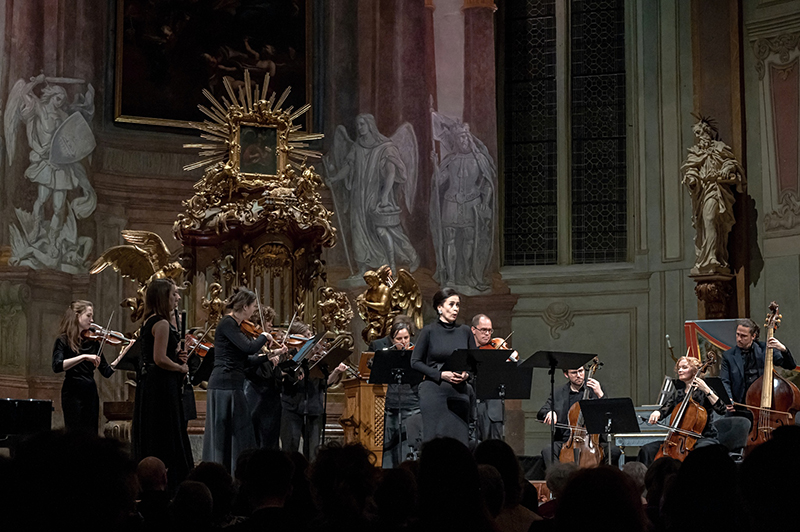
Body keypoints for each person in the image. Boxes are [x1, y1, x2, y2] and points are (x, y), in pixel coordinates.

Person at [203, 288, 275, 472]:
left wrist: (268, 356)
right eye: (252, 307)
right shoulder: (228, 323)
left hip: (233, 384)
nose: (253, 312)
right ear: (245, 306)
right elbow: (249, 347)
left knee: (239, 435)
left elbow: (245, 360)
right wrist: (263, 336)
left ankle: (234, 474)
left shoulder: (235, 326)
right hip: (224, 385)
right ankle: (220, 473)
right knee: (225, 436)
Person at [132, 279, 193, 491]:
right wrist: (180, 368)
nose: (177, 298)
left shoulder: (148, 321)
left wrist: (176, 355)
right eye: (173, 294)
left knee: (153, 433)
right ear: (162, 297)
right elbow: (159, 359)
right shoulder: (163, 323)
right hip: (162, 387)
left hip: (151, 385)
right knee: (167, 433)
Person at [410, 287, 476, 445]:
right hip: (434, 391)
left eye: (458, 305)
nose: (455, 309)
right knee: (434, 440)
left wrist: (466, 375)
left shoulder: (465, 331)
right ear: (440, 307)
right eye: (451, 304)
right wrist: (440, 375)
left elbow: (474, 363)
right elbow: (415, 362)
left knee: (459, 442)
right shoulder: (429, 331)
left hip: (459, 393)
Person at [51, 300, 127, 432]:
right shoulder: (63, 340)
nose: (92, 320)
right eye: (88, 316)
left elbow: (106, 371)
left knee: (91, 433)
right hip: (72, 391)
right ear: (76, 315)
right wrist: (84, 357)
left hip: (90, 392)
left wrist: (123, 354)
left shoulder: (94, 342)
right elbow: (57, 366)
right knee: (73, 433)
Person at [638, 356, 727, 466]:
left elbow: (722, 409)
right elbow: (665, 409)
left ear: (695, 370)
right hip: (677, 440)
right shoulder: (678, 394)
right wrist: (657, 413)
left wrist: (706, 389)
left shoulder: (704, 391)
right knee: (647, 450)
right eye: (679, 368)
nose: (680, 370)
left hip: (703, 437)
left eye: (684, 367)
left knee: (698, 453)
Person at [280, 322, 348, 460]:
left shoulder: (317, 359)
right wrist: (303, 359)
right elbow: (285, 378)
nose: (310, 340)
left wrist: (336, 371)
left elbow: (324, 384)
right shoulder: (288, 356)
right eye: (306, 337)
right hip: (292, 407)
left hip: (314, 408)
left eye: (310, 336)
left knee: (313, 452)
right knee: (290, 450)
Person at [719, 318, 796, 423]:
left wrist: (783, 349)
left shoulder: (766, 350)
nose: (739, 339)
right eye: (737, 334)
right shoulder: (728, 356)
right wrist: (729, 400)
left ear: (753, 336)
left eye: (743, 336)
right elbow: (725, 381)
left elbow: (790, 366)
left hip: (764, 406)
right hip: (740, 408)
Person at [536, 362, 606, 466]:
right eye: (574, 372)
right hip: (566, 441)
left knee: (613, 451)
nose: (579, 375)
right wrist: (549, 412)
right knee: (548, 450)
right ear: (566, 374)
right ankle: (558, 480)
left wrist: (601, 395)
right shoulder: (559, 392)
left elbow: (608, 412)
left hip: (591, 441)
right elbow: (542, 412)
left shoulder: (595, 390)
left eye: (581, 371)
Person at [243, 305, 288, 450]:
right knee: (257, 440)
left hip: (271, 397)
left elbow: (273, 373)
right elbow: (250, 366)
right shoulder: (251, 341)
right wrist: (268, 357)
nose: (270, 325)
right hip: (256, 396)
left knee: (270, 441)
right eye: (268, 321)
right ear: (258, 322)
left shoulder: (268, 345)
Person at [380, 320, 422, 468]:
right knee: (389, 446)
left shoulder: (417, 355)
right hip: (392, 406)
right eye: (399, 339)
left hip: (412, 406)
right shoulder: (387, 356)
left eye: (406, 338)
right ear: (392, 340)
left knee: (408, 447)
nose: (403, 342)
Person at [471, 313, 504, 442]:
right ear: (473, 330)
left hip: (494, 412)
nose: (487, 334)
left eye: (489, 330)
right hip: (473, 408)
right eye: (483, 330)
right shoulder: (466, 351)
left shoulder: (495, 349)